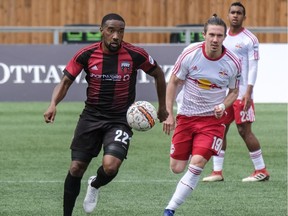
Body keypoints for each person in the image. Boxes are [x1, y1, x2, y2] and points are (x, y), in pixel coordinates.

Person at [43, 13, 168, 216]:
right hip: (91, 116)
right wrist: (52, 104)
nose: (116, 36)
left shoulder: (135, 54)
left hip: (120, 119)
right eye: (111, 30)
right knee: (76, 168)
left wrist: (162, 107)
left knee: (110, 167)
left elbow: (158, 73)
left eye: (120, 31)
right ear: (101, 30)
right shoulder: (86, 54)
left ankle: (95, 184)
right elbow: (65, 81)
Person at [162, 15, 241, 216]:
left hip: (212, 122)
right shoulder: (190, 53)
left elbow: (234, 91)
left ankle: (169, 209)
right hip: (187, 117)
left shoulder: (232, 62)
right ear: (204, 34)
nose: (215, 39)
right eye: (212, 35)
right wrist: (169, 113)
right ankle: (190, 148)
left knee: (197, 163)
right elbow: (173, 82)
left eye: (219, 36)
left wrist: (223, 106)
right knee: (177, 168)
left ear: (225, 37)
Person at [202, 1, 269, 183]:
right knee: (220, 129)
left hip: (242, 94)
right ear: (228, 15)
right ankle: (217, 172)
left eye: (239, 13)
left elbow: (253, 67)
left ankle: (261, 170)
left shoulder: (250, 39)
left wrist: (248, 91)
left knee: (244, 130)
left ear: (244, 17)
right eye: (232, 12)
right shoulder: (223, 37)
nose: (235, 15)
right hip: (227, 94)